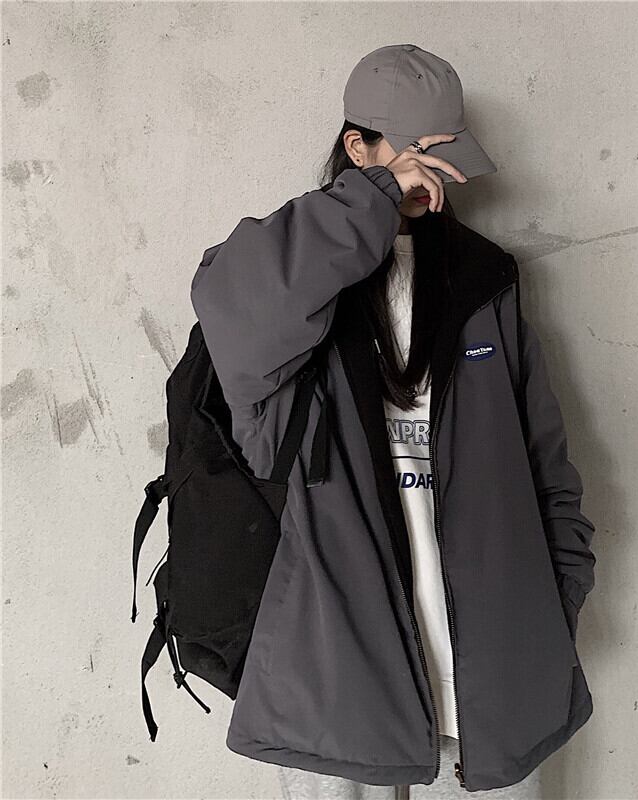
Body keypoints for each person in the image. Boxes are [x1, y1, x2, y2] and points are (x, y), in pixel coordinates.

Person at [190, 44, 596, 796]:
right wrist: (370, 199)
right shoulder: (296, 282)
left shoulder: (483, 280)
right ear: (358, 147)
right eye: (418, 160)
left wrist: (556, 602)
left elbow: (545, 462)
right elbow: (232, 302)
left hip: (495, 671)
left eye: (446, 163)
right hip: (336, 673)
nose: (434, 182)